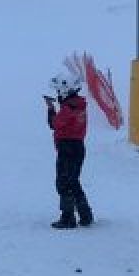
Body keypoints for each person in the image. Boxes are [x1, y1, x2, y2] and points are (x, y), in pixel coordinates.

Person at [44, 74, 93, 229]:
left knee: (64, 182)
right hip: (77, 147)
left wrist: (51, 108)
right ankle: (85, 215)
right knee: (73, 181)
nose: (58, 94)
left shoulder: (68, 108)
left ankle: (68, 218)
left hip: (67, 148)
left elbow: (54, 124)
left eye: (59, 91)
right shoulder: (78, 105)